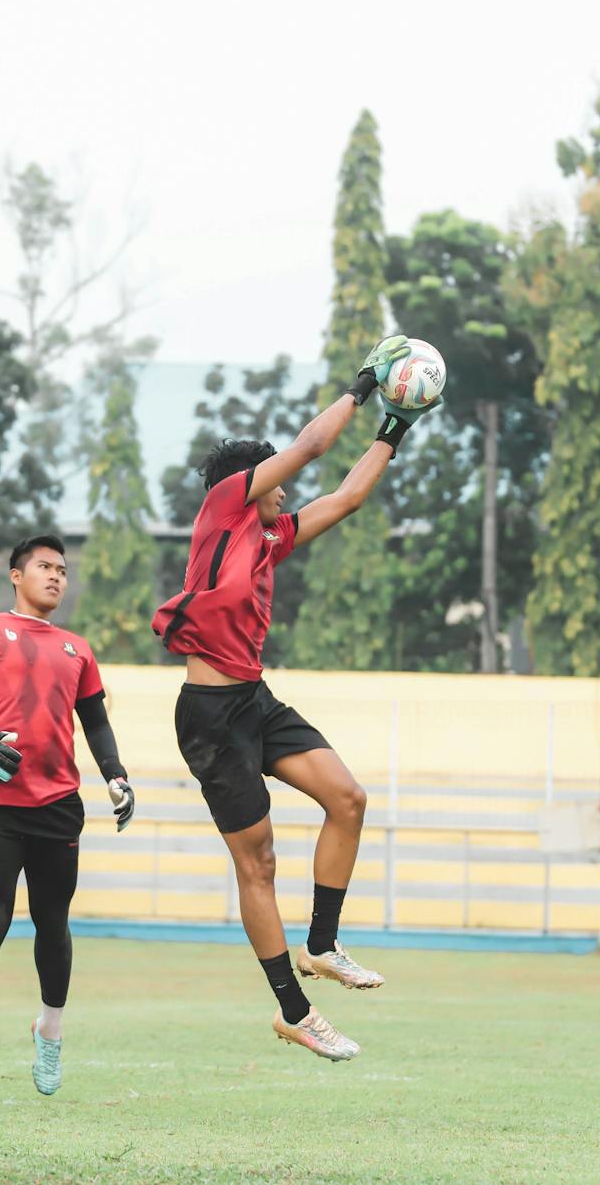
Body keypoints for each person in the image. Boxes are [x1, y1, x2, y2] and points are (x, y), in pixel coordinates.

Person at [151, 335, 429, 1062]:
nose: (284, 484)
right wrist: (366, 383)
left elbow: (347, 494)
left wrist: (395, 425)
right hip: (209, 718)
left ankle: (323, 943)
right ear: (249, 478)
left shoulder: (269, 537)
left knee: (348, 798)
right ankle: (295, 1010)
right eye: (271, 472)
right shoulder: (222, 505)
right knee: (260, 864)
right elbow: (310, 448)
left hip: (255, 701)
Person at [0, 534, 135, 1097]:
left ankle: (52, 1031)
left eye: (62, 570)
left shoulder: (77, 648)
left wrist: (116, 774)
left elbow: (95, 722)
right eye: (44, 566)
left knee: (53, 924)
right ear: (15, 575)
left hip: (60, 805)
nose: (56, 577)